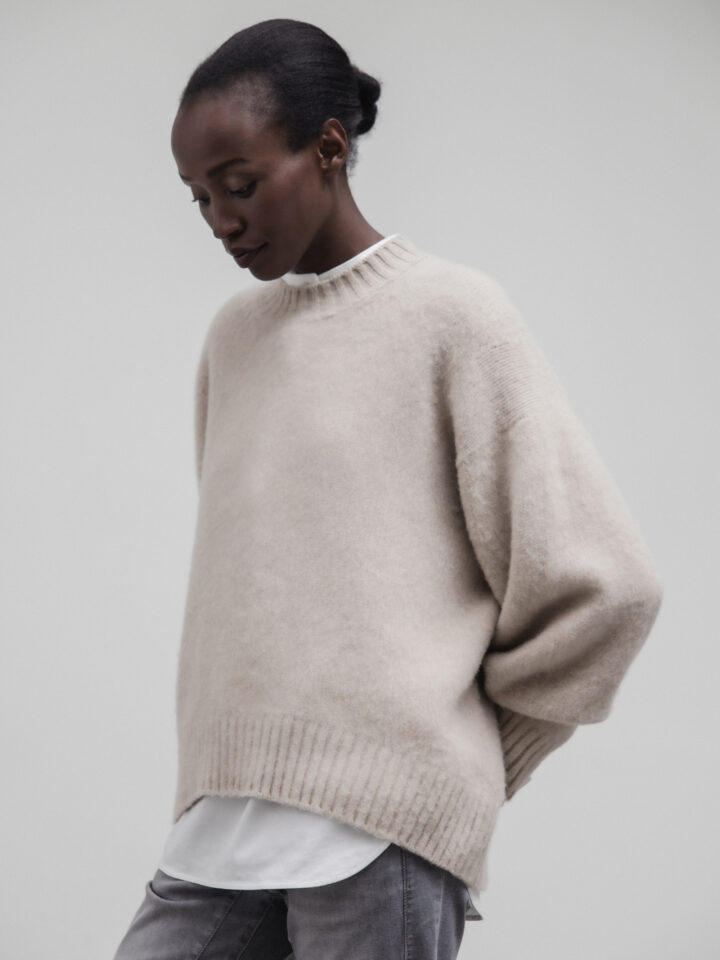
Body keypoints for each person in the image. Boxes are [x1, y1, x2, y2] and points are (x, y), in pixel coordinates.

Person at [111, 17, 664, 960]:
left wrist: (463, 766)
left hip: (379, 844)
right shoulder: (235, 340)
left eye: (239, 185)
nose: (220, 220)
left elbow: (608, 588)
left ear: (329, 149)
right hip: (221, 824)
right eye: (198, 197)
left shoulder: (455, 317)